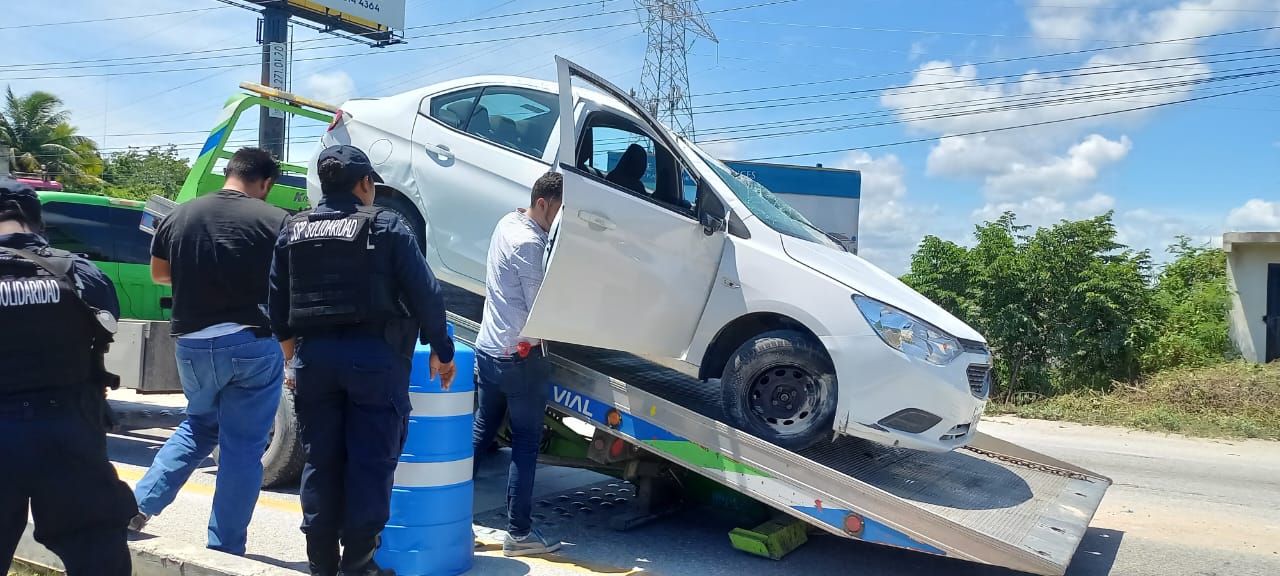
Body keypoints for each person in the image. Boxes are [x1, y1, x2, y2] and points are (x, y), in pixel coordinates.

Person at [268, 144, 457, 576]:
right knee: (370, 464)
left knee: (321, 462)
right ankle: (358, 565)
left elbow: (276, 301)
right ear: (366, 183)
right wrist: (442, 351)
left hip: (315, 361)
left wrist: (291, 352)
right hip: (375, 360)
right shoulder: (388, 226)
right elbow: (426, 294)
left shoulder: (293, 229)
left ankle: (321, 566)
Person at [129, 147, 291, 556]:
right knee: (242, 448)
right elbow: (291, 285)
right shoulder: (275, 220)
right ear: (266, 183)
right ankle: (224, 547)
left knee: (198, 426)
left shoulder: (180, 215)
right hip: (252, 343)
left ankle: (135, 507)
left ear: (229, 172)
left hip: (193, 345)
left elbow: (159, 274)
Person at [0, 177, 137, 575]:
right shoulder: (81, 272)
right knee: (97, 553)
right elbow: (108, 324)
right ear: (36, 221)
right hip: (68, 430)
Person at [471, 171, 564, 557]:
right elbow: (540, 312)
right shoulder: (529, 244)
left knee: (480, 433)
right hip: (519, 358)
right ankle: (519, 534)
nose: (557, 222)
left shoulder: (508, 222)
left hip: (488, 349)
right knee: (525, 444)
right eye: (556, 213)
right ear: (542, 203)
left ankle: (447, 512)